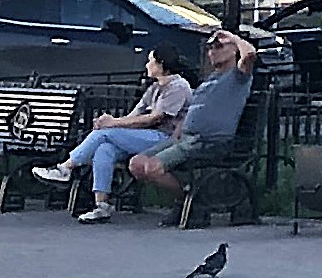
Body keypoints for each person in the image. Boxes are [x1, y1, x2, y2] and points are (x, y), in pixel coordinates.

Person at [37, 39, 192, 222]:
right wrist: (110, 122)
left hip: (166, 139)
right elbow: (135, 115)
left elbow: (155, 117)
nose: (146, 65)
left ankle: (65, 168)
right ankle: (101, 205)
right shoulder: (154, 88)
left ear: (161, 64)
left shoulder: (178, 86)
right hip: (145, 136)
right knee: (105, 149)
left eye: (150, 61)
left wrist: (113, 123)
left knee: (104, 134)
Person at [127, 30, 250, 221]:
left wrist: (232, 38)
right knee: (136, 164)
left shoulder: (238, 77)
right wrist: (181, 127)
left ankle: (189, 203)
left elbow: (250, 54)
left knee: (152, 168)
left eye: (218, 46)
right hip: (185, 137)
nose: (212, 51)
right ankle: (187, 199)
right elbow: (196, 108)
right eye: (210, 48)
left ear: (234, 50)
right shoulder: (211, 79)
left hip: (208, 142)